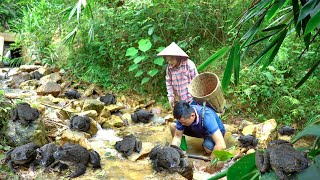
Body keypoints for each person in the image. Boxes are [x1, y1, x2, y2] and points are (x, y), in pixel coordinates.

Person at [157, 42, 198, 108]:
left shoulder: (189, 64)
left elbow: (197, 81)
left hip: (192, 99)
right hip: (180, 100)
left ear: (177, 57)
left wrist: (197, 97)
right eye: (168, 60)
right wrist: (171, 97)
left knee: (192, 116)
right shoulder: (169, 68)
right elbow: (169, 83)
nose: (170, 62)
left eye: (172, 60)